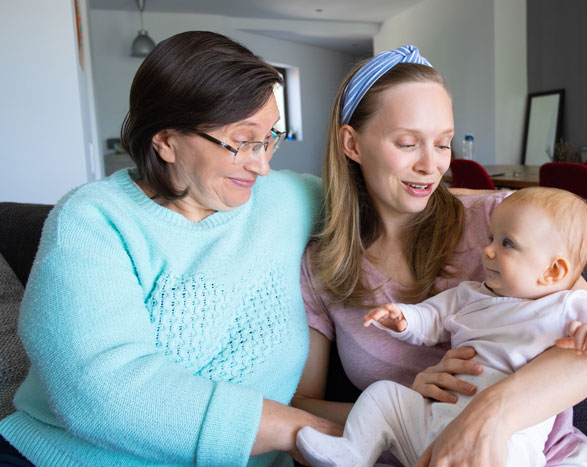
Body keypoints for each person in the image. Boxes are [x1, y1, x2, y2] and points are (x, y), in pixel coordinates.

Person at [0, 31, 340, 466]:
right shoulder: (93, 220)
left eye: (270, 137)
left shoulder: (285, 200)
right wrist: (305, 431)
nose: (262, 163)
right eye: (242, 140)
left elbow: (382, 204)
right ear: (166, 141)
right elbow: (103, 394)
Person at [291, 45, 587, 467]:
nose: (432, 166)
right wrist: (411, 403)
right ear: (352, 144)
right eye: (408, 143)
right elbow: (303, 403)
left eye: (444, 143)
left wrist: (487, 416)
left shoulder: (503, 223)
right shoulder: (322, 265)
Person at [295, 187, 587, 467]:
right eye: (491, 238)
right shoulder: (469, 295)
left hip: (511, 434)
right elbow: (430, 318)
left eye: (506, 244)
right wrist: (403, 319)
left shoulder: (566, 306)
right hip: (435, 420)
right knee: (383, 396)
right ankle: (354, 453)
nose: (488, 251)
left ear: (552, 272)